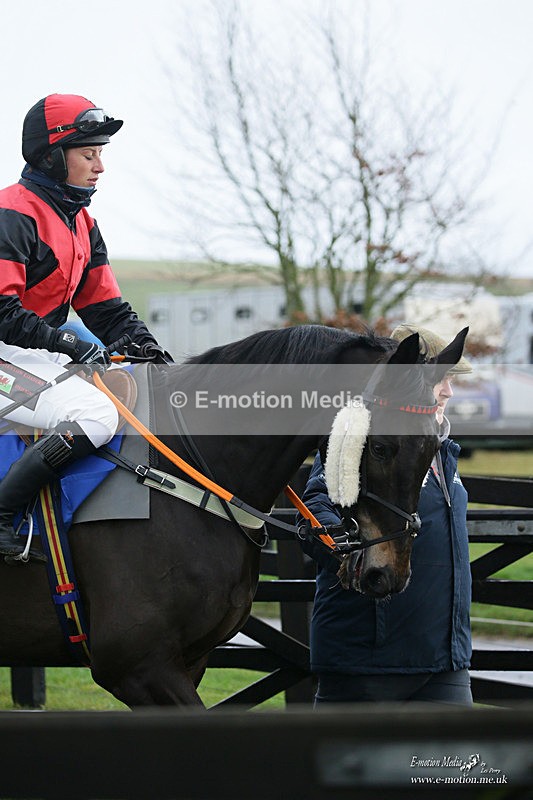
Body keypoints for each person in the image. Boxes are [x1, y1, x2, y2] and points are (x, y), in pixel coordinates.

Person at [0, 93, 170, 560]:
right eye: (88, 154)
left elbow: (108, 311)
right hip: (4, 357)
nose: (99, 166)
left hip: (34, 355)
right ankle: (1, 513)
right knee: (96, 416)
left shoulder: (82, 223)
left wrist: (155, 354)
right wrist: (66, 341)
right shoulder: (11, 212)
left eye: (101, 154)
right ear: (53, 157)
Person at [297, 324, 474, 705]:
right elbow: (316, 508)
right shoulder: (358, 442)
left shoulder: (443, 452)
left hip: (445, 661)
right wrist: (348, 552)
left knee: (456, 766)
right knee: (345, 766)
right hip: (368, 661)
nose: (447, 391)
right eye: (440, 379)